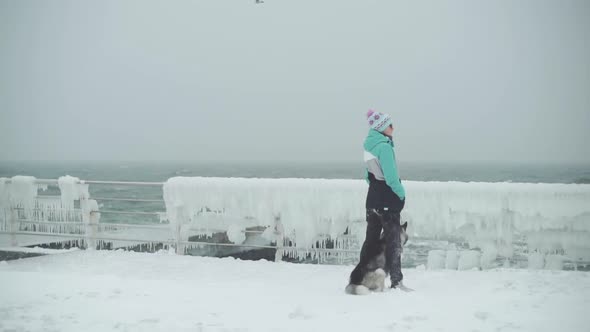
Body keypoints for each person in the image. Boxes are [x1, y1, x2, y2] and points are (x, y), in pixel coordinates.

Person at [362, 109, 406, 288]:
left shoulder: (368, 147)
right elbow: (391, 177)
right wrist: (401, 193)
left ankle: (363, 277)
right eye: (389, 125)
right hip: (388, 200)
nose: (393, 128)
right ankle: (397, 281)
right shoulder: (385, 147)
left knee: (370, 241)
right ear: (381, 127)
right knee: (393, 242)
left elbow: (367, 176)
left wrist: (376, 190)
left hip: (372, 200)